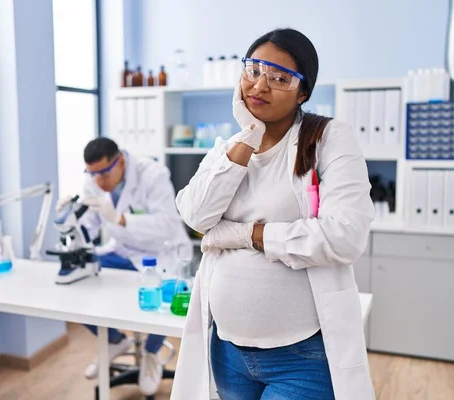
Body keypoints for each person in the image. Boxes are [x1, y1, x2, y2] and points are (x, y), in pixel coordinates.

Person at [171, 28, 375, 400]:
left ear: (303, 92)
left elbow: (344, 236)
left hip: (301, 356)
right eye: (253, 71)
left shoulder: (327, 139)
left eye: (279, 78)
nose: (260, 86)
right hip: (227, 351)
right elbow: (197, 216)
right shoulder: (228, 149)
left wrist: (247, 234)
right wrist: (248, 135)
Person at [56, 137, 192, 396]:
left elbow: (167, 224)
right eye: (92, 174)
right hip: (123, 251)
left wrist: (119, 218)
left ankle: (152, 354)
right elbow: (91, 227)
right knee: (76, 280)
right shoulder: (94, 179)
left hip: (162, 252)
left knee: (162, 302)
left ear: (119, 161)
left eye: (103, 173)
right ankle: (114, 341)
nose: (98, 181)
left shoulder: (153, 174)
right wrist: (70, 221)